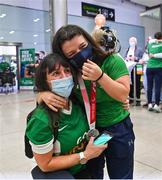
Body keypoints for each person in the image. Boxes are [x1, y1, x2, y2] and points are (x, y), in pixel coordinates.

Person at [37, 25, 135, 179]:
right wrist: (42, 94)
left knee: (121, 174)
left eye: (83, 46)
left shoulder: (111, 60)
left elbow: (123, 94)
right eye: (71, 54)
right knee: (93, 173)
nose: (80, 54)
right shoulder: (71, 71)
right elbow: (48, 80)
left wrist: (101, 76)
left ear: (89, 41)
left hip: (117, 127)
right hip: (90, 131)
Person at [25, 53, 107, 179]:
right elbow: (45, 165)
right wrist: (84, 155)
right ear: (44, 81)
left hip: (82, 168)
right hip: (59, 172)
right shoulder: (41, 120)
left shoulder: (77, 102)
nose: (64, 77)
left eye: (67, 71)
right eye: (56, 73)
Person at [125, 36, 144, 106]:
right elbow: (125, 56)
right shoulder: (128, 49)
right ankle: (131, 98)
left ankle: (138, 99)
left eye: (133, 41)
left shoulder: (139, 49)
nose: (132, 42)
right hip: (129, 68)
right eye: (130, 41)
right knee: (130, 83)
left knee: (137, 83)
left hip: (138, 67)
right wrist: (127, 58)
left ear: (135, 42)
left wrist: (135, 58)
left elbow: (142, 58)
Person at [146, 32, 162, 113]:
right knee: (157, 87)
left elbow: (148, 53)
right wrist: (155, 55)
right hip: (158, 68)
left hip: (149, 67)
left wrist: (153, 55)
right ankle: (156, 105)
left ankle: (149, 104)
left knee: (149, 86)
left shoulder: (150, 44)